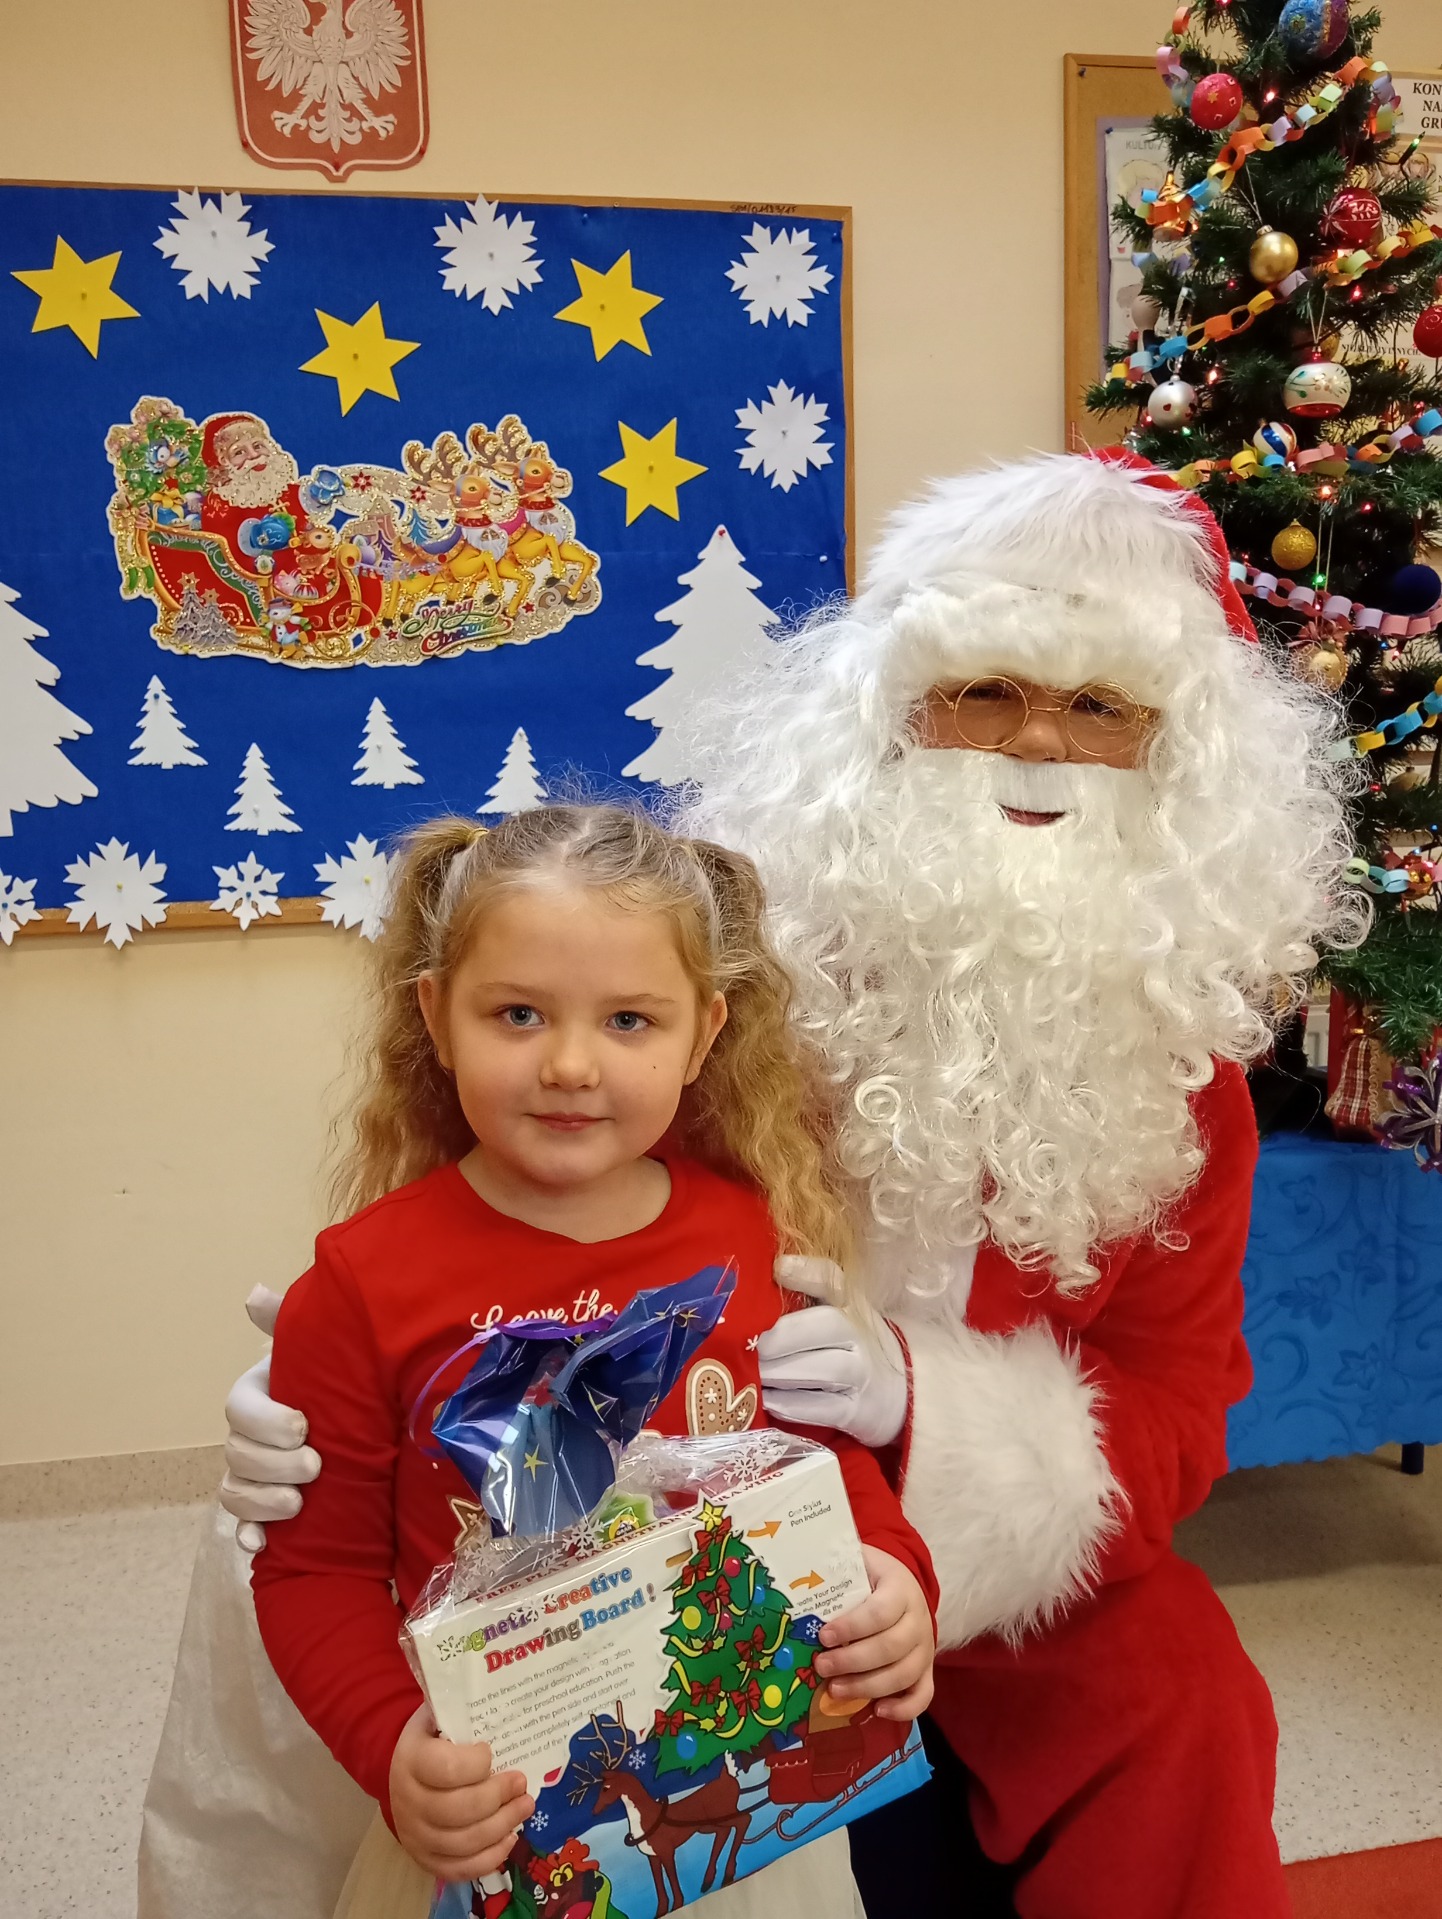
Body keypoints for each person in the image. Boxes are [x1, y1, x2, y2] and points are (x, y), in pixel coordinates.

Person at [190, 450, 1359, 1916]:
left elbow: (1175, 1412)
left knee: (1189, 1710)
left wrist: (916, 1403)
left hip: (1002, 1566)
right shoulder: (713, 988)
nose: (1036, 743)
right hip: (644, 1516)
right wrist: (322, 1391)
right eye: (983, 689)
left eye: (1099, 708)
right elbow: (507, 1199)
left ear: (1174, 761)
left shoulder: (1187, 1085)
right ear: (887, 714)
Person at [239, 805, 938, 1919]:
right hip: (499, 1820)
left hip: (748, 1825)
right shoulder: (362, 1282)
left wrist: (896, 1579)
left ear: (703, 1034)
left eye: (628, 1019)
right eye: (517, 1013)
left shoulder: (755, 1240)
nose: (569, 1063)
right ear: (436, 1014)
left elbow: (826, 1469)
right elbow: (312, 1571)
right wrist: (392, 1744)